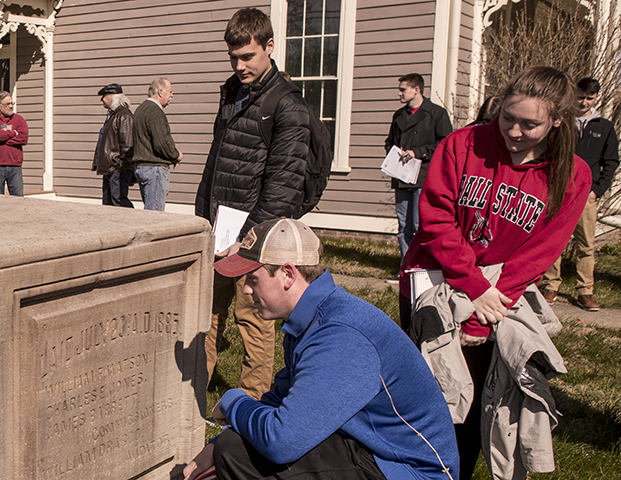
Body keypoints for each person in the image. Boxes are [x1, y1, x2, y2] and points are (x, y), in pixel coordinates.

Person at [399, 66, 591, 479]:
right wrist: (471, 286)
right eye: (507, 117)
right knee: (430, 396)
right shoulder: (463, 144)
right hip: (434, 281)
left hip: (498, 297)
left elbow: (543, 249)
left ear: (557, 120)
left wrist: (493, 299)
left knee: (473, 406)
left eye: (530, 124)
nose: (514, 132)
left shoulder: (572, 174)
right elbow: (435, 220)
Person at [183, 218, 459, 480]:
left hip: (408, 469)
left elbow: (282, 441)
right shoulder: (313, 316)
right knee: (233, 445)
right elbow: (282, 397)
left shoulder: (341, 335)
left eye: (253, 279)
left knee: (238, 453)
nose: (245, 290)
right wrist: (216, 442)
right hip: (374, 450)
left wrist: (233, 402)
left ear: (287, 274)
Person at [194, 7, 313, 400]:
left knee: (254, 320)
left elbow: (283, 187)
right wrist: (202, 218)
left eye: (248, 56)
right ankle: (194, 390)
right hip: (218, 226)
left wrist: (247, 241)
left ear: (270, 47)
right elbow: (218, 160)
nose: (240, 65)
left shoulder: (288, 106)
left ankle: (249, 403)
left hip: (253, 239)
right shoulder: (232, 92)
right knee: (205, 316)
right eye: (234, 57)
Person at [539, 77, 619, 311]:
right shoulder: (560, 122)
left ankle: (585, 291)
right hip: (559, 191)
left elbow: (611, 162)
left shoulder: (604, 126)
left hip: (587, 196)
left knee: (586, 245)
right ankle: (550, 286)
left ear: (596, 98)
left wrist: (598, 190)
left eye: (589, 98)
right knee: (554, 240)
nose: (584, 102)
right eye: (580, 97)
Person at [385, 73, 453, 272]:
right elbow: (390, 141)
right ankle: (405, 267)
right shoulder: (398, 115)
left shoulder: (436, 114)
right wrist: (394, 154)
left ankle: (422, 266)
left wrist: (419, 153)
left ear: (417, 90)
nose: (399, 93)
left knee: (418, 224)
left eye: (403, 89)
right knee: (403, 225)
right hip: (401, 176)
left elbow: (445, 143)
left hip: (424, 176)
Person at [132, 78, 182, 211]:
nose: (172, 95)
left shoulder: (140, 109)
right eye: (170, 92)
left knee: (150, 211)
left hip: (142, 168)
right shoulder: (155, 112)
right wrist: (176, 155)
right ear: (160, 92)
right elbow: (161, 143)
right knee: (154, 214)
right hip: (155, 169)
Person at [92, 83, 135, 207]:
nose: (102, 100)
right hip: (110, 169)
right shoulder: (113, 116)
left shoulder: (124, 116)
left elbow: (127, 146)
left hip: (117, 169)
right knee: (108, 202)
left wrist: (120, 167)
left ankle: (132, 223)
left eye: (104, 96)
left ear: (112, 97)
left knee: (119, 201)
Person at [0, 91, 28, 196]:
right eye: (7, 104)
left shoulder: (19, 120)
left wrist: (1, 137)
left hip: (15, 165)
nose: (11, 106)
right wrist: (13, 133)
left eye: (12, 103)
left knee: (18, 200)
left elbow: (23, 139)